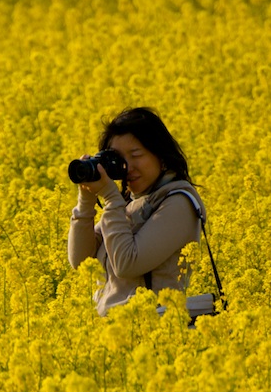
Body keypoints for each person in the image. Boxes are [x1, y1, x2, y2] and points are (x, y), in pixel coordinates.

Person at [68, 107, 206, 317]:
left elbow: (127, 264)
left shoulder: (179, 203)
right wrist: (85, 201)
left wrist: (111, 198)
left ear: (160, 154)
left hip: (152, 332)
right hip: (115, 334)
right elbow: (81, 262)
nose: (127, 167)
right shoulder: (130, 204)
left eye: (136, 155)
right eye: (118, 159)